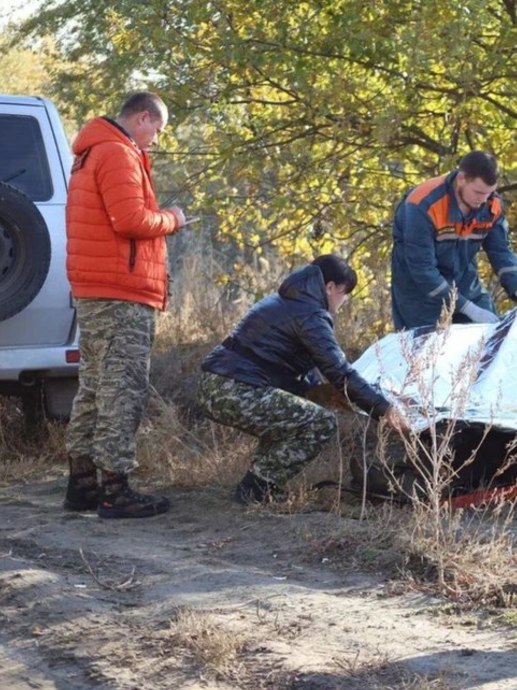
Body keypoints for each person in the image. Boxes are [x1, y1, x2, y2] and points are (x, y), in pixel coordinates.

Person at [196, 254, 410, 504]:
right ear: (330, 287)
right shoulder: (311, 315)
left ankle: (258, 486)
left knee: (295, 416)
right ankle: (257, 488)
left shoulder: (290, 301)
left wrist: (327, 393)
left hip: (219, 385)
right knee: (320, 423)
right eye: (344, 292)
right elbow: (340, 372)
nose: (345, 300)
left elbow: (297, 367)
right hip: (235, 389)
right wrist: (385, 411)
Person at [63, 91, 187, 519]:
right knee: (122, 391)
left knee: (95, 389)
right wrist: (172, 218)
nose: (156, 138)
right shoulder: (117, 153)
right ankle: (115, 491)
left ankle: (82, 485)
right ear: (142, 117)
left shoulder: (91, 152)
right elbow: (132, 220)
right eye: (158, 128)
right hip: (121, 294)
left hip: (96, 290)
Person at [390, 150, 517, 330]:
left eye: (489, 193)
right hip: (420, 296)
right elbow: (422, 269)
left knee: (488, 340)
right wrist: (469, 309)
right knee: (427, 353)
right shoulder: (422, 204)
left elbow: (501, 251)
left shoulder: (492, 205)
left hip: (465, 284)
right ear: (461, 179)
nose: (483, 200)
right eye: (478, 192)